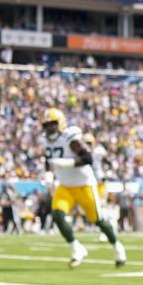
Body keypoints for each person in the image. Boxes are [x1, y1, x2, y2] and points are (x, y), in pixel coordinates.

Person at [41, 107, 126, 268]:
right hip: (65, 186)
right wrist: (48, 174)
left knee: (98, 220)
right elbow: (49, 159)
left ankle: (118, 248)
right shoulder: (46, 141)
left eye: (53, 124)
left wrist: (68, 163)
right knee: (57, 214)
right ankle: (76, 248)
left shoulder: (70, 137)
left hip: (84, 184)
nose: (50, 128)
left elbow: (87, 159)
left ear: (60, 124)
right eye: (47, 125)